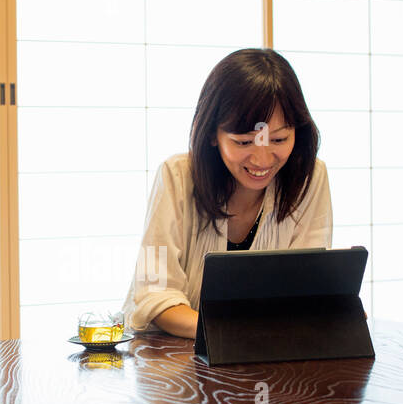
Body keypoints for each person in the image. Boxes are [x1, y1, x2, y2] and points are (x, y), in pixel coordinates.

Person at [122, 48, 333, 339]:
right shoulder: (175, 176)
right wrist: (234, 333)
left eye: (279, 139)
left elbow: (307, 288)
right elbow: (152, 294)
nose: (262, 160)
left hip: (264, 358)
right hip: (170, 361)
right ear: (211, 134)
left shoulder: (309, 177)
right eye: (244, 141)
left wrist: (334, 308)